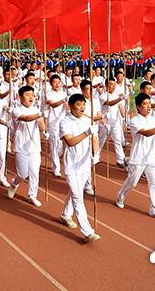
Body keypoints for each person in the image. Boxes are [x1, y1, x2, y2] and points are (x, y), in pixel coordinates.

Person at [115, 92, 155, 219]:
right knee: (132, 182)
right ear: (138, 107)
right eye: (145, 104)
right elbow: (147, 133)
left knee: (154, 183)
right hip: (138, 157)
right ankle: (120, 195)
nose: (149, 106)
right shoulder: (134, 121)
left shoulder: (153, 118)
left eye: (149, 103)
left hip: (151, 157)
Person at [58, 93, 101, 243]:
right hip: (72, 165)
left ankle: (65, 215)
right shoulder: (65, 122)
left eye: (83, 104)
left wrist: (96, 154)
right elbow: (70, 141)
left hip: (85, 164)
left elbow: (94, 138)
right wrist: (87, 132)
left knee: (74, 192)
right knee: (78, 197)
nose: (82, 107)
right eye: (78, 104)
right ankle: (88, 232)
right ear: (71, 106)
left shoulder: (88, 120)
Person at [7, 85, 47, 207]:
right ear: (20, 97)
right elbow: (26, 118)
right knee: (23, 174)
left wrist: (44, 130)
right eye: (27, 95)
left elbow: (41, 125)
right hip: (21, 146)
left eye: (32, 95)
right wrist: (39, 114)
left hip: (34, 146)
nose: (31, 98)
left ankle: (32, 195)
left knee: (35, 173)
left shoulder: (36, 110)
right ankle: (14, 183)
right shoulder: (16, 110)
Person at [100, 78, 127, 167]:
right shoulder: (103, 96)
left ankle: (120, 160)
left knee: (118, 141)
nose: (113, 86)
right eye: (111, 84)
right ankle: (94, 156)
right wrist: (120, 98)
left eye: (115, 84)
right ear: (107, 85)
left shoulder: (115, 95)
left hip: (115, 122)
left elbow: (119, 106)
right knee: (101, 141)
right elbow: (110, 103)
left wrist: (124, 117)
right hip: (105, 123)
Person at [46, 74, 68, 177]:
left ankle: (53, 156)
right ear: (51, 84)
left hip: (62, 122)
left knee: (61, 147)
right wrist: (63, 100)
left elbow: (67, 107)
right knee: (54, 145)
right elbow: (53, 104)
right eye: (55, 83)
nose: (57, 84)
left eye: (58, 83)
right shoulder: (48, 93)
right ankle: (56, 169)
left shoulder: (64, 93)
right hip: (52, 123)